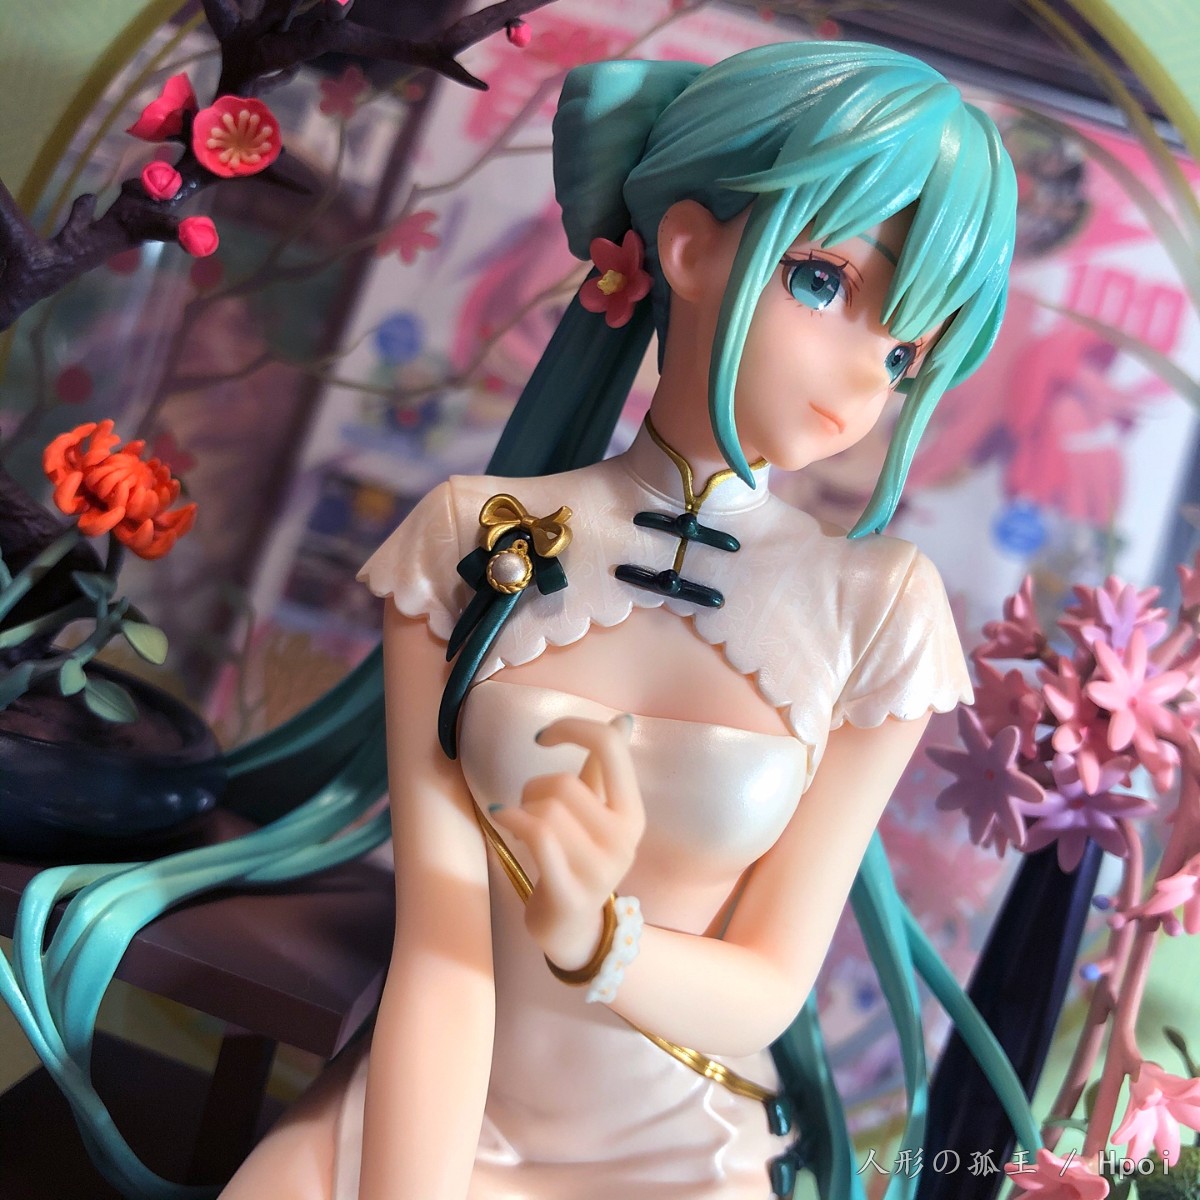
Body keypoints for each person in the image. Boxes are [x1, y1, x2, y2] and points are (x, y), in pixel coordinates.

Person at [1, 40, 1037, 1200]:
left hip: (677, 1150)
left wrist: (601, 943)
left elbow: (768, 987)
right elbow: (442, 949)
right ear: (689, 248)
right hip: (435, 1099)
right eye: (824, 282)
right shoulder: (473, 533)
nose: (859, 382)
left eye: (904, 351)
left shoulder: (878, 606)